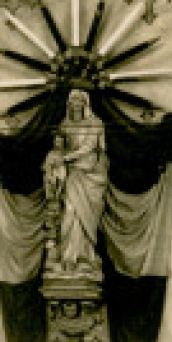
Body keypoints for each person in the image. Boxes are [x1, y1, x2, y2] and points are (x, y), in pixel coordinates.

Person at [48, 90, 108, 277]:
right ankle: (69, 257)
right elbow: (58, 147)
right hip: (72, 175)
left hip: (92, 176)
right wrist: (57, 162)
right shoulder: (65, 124)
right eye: (72, 100)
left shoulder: (95, 123)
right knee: (70, 214)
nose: (75, 104)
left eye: (79, 100)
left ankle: (87, 257)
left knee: (87, 216)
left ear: (85, 103)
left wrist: (66, 157)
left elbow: (90, 147)